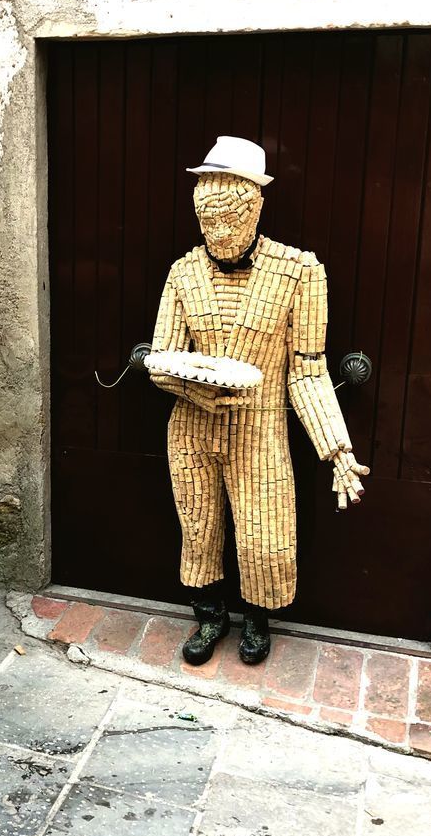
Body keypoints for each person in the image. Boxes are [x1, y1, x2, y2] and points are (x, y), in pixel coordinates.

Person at [148, 136, 368, 667]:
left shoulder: (299, 273)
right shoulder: (183, 273)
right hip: (191, 430)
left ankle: (256, 620)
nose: (218, 234)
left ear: (257, 208)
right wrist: (190, 387)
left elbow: (308, 371)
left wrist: (337, 450)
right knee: (198, 530)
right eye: (207, 222)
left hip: (260, 429)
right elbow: (161, 359)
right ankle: (209, 615)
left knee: (264, 535)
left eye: (230, 220)